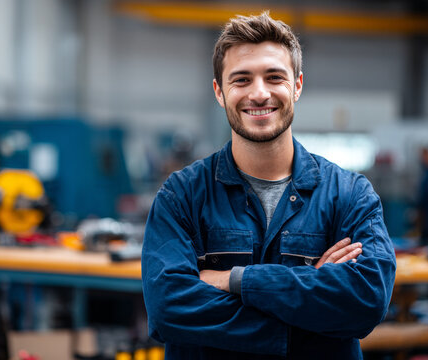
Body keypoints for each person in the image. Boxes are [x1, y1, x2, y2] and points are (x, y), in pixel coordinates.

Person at [141, 12, 396, 360]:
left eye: (274, 77)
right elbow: (168, 308)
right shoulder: (181, 195)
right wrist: (309, 309)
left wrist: (235, 280)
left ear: (297, 85)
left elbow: (367, 299)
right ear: (219, 91)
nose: (259, 94)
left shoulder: (350, 194)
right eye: (241, 80)